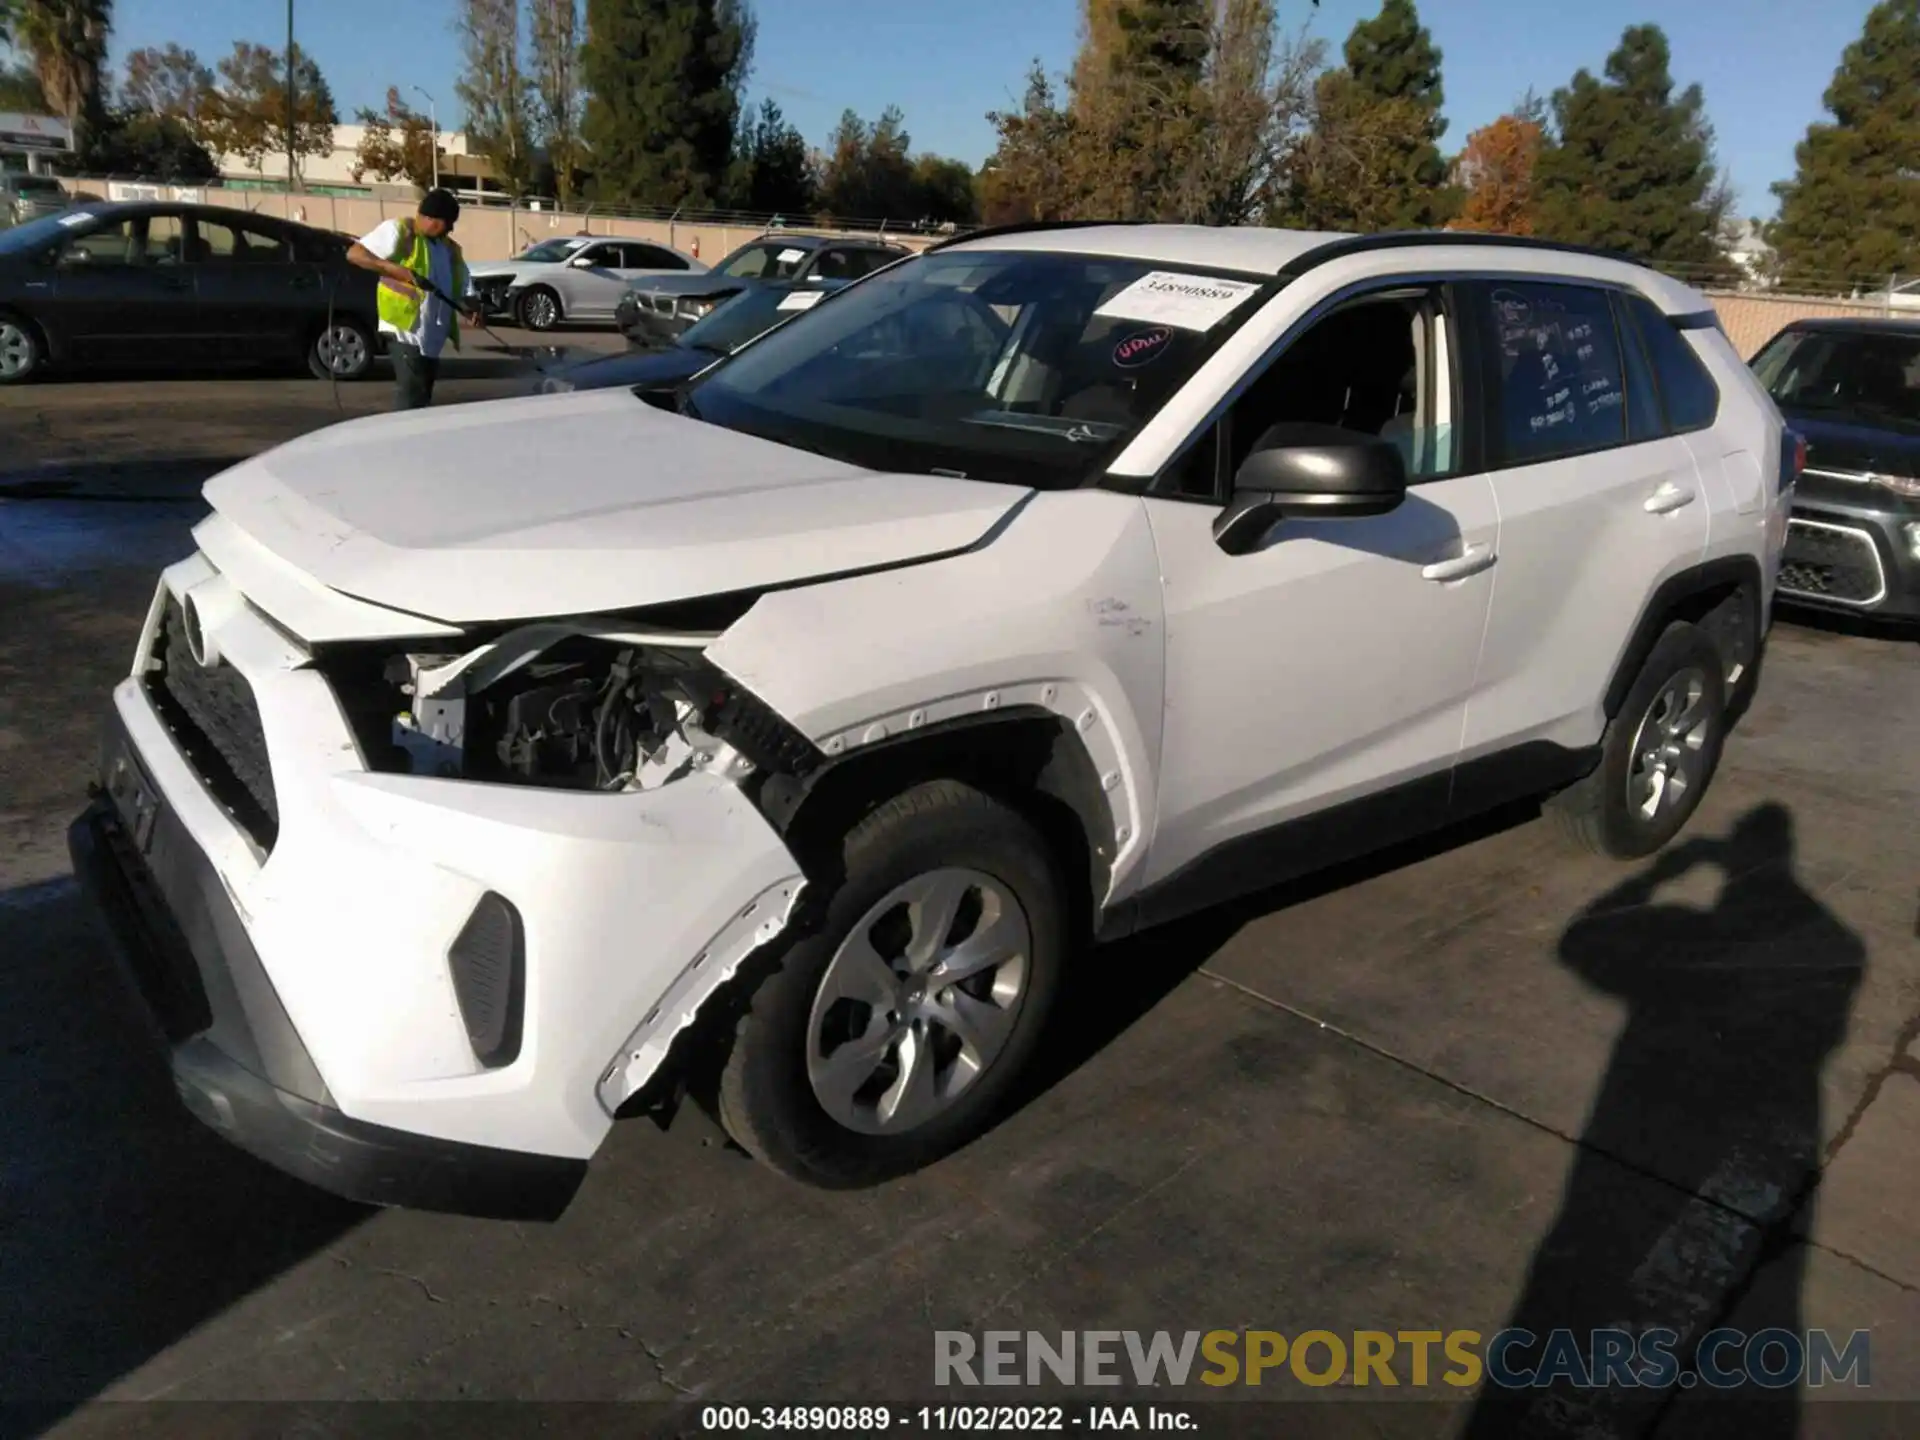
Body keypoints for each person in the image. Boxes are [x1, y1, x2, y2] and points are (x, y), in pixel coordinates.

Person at [346, 188, 481, 411]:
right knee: (411, 395)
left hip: (431, 336)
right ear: (429, 218)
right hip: (404, 329)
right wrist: (395, 270)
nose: (450, 228)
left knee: (422, 396)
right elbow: (355, 254)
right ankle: (402, 441)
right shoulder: (399, 231)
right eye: (447, 222)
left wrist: (472, 307)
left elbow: (463, 282)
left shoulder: (448, 248)